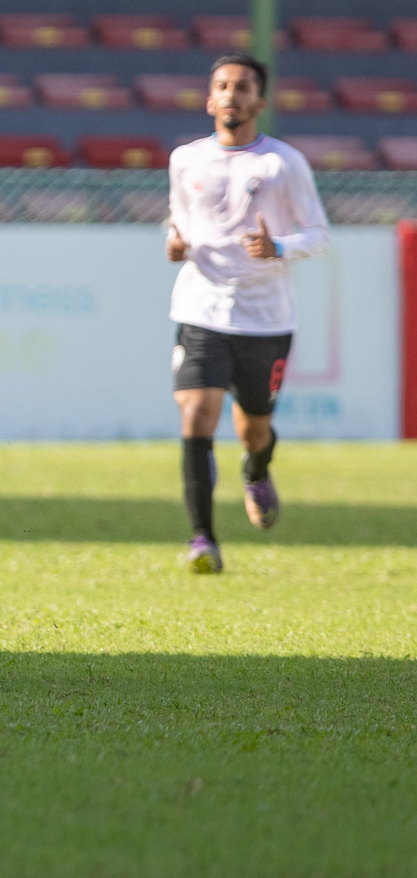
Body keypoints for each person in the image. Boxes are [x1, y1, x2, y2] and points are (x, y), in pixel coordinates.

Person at [165, 53, 330, 573]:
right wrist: (173, 242)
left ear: (260, 101)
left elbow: (319, 234)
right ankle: (202, 540)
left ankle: (256, 468)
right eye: (223, 86)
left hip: (266, 320)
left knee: (253, 430)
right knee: (196, 412)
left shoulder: (283, 163)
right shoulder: (185, 159)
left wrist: (278, 247)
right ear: (209, 99)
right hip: (201, 308)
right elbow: (180, 222)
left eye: (242, 87)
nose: (232, 94)